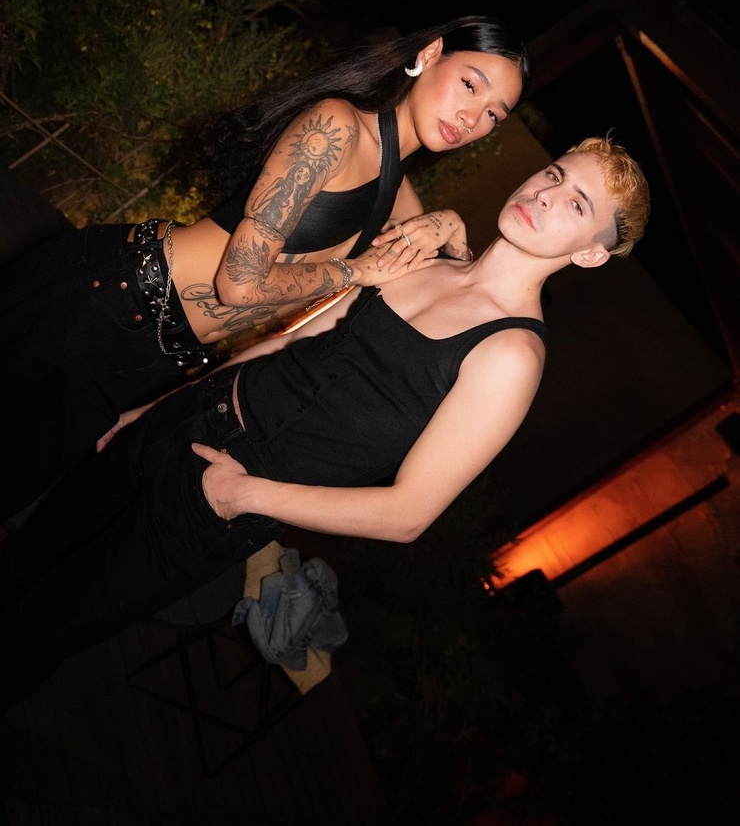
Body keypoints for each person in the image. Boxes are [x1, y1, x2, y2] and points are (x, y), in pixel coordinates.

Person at [0, 136, 650, 707]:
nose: (545, 194)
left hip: (217, 498)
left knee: (36, 631)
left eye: (577, 205)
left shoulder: (510, 355)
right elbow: (293, 340)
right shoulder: (428, 259)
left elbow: (409, 512)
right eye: (554, 174)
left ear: (591, 254)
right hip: (184, 418)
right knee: (29, 553)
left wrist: (243, 495)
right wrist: (153, 406)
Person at [0, 15, 531, 522]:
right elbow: (238, 283)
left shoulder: (394, 188)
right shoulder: (338, 126)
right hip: (113, 297)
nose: (473, 117)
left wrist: (452, 223)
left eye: (493, 115)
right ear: (431, 53)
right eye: (470, 85)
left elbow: (437, 279)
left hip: (155, 357)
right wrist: (354, 272)